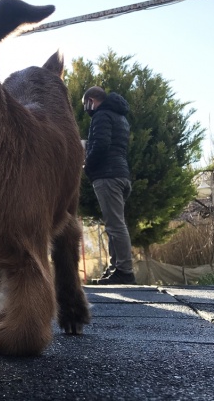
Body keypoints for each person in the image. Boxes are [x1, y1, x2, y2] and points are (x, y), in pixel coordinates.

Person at [83, 86, 136, 285]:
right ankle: (116, 267)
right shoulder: (120, 117)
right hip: (121, 174)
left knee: (115, 224)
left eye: (85, 104)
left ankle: (124, 271)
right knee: (114, 223)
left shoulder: (102, 115)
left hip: (108, 176)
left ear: (91, 100)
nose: (86, 109)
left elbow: (102, 145)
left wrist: (88, 165)